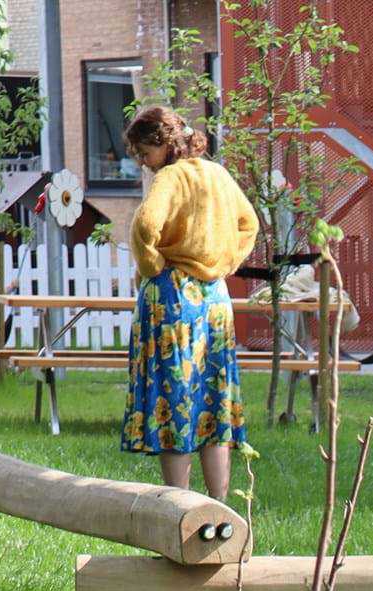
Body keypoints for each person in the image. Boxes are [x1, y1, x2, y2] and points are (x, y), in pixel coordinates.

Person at [121, 105, 260, 501]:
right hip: (215, 297)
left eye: (144, 154)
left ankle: (179, 505)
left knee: (175, 395)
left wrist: (152, 265)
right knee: (213, 399)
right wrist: (225, 262)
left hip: (173, 299)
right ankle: (219, 503)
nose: (144, 164)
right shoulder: (216, 173)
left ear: (163, 144)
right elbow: (248, 222)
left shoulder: (170, 177)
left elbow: (146, 225)